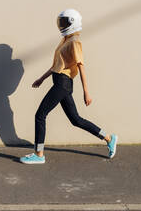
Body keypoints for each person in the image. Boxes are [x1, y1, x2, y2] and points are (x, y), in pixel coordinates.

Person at [20, 9, 118, 164]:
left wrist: (86, 92)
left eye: (66, 22)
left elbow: (81, 67)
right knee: (76, 120)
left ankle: (39, 155)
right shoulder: (66, 39)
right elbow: (57, 65)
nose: (62, 24)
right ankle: (108, 138)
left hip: (63, 84)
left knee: (40, 115)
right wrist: (42, 79)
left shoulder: (74, 42)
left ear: (73, 22)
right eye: (62, 21)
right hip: (60, 82)